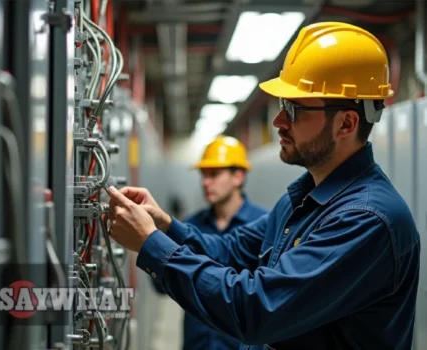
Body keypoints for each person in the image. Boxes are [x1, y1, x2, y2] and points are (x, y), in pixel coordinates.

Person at [107, 21, 420, 350]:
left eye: (294, 109)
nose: (279, 122)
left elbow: (256, 310)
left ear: (346, 123)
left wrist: (152, 245)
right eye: (282, 106)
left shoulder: (366, 219)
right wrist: (164, 225)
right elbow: (230, 252)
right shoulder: (302, 201)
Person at [153, 136, 268, 350]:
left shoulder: (263, 226)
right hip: (197, 343)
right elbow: (161, 287)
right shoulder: (190, 226)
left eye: (214, 175)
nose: (206, 182)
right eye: (203, 175)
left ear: (238, 176)